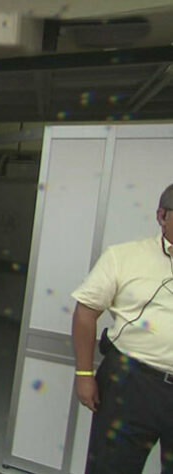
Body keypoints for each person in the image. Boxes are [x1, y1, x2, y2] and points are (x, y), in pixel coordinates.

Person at [72, 183, 173, 473]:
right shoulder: (124, 256)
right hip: (132, 383)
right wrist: (83, 374)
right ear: (162, 216)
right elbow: (86, 312)